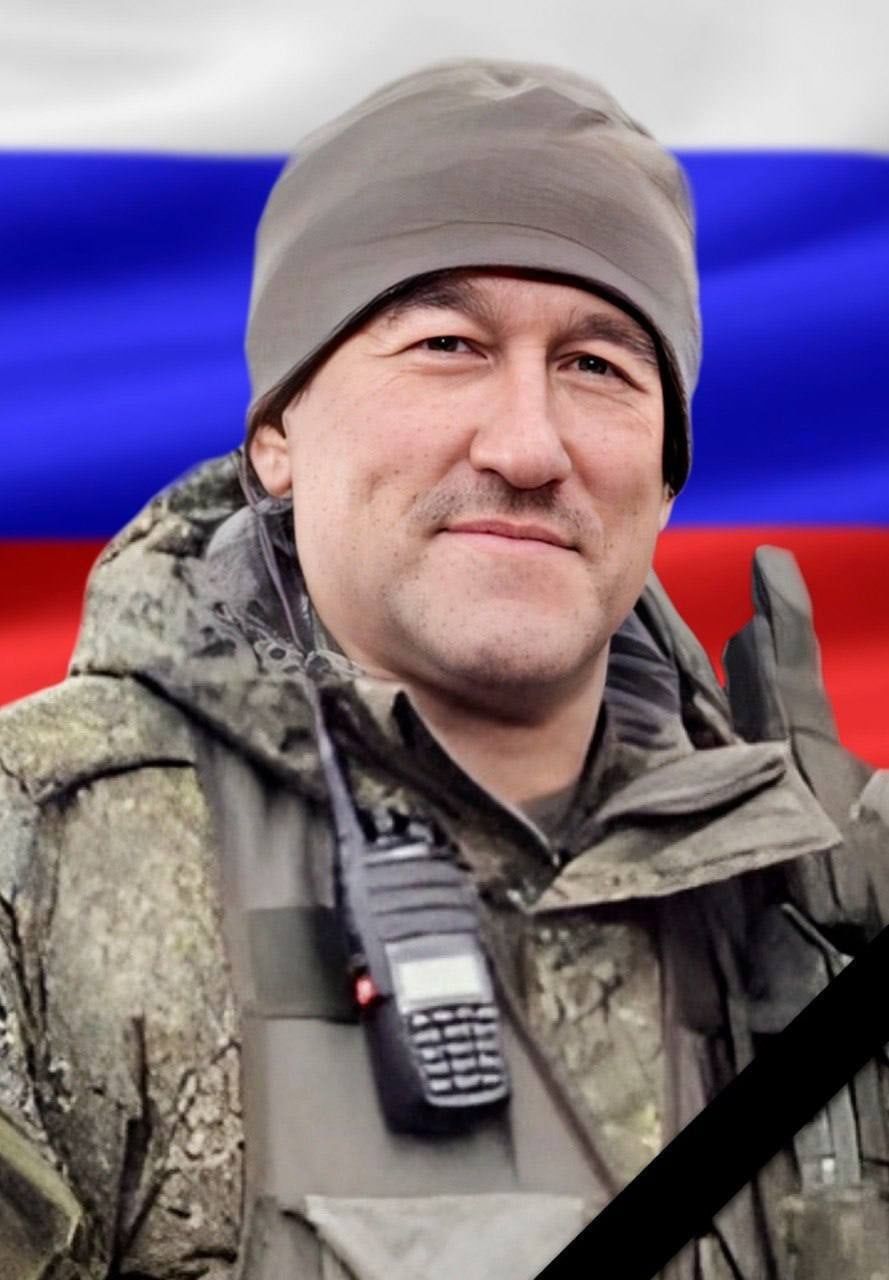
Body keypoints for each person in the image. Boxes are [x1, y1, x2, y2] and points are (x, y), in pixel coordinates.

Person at [0, 58, 887, 1280]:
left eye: (597, 365)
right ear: (277, 436)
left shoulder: (835, 883)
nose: (526, 445)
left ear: (665, 476)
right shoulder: (37, 850)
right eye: (446, 344)